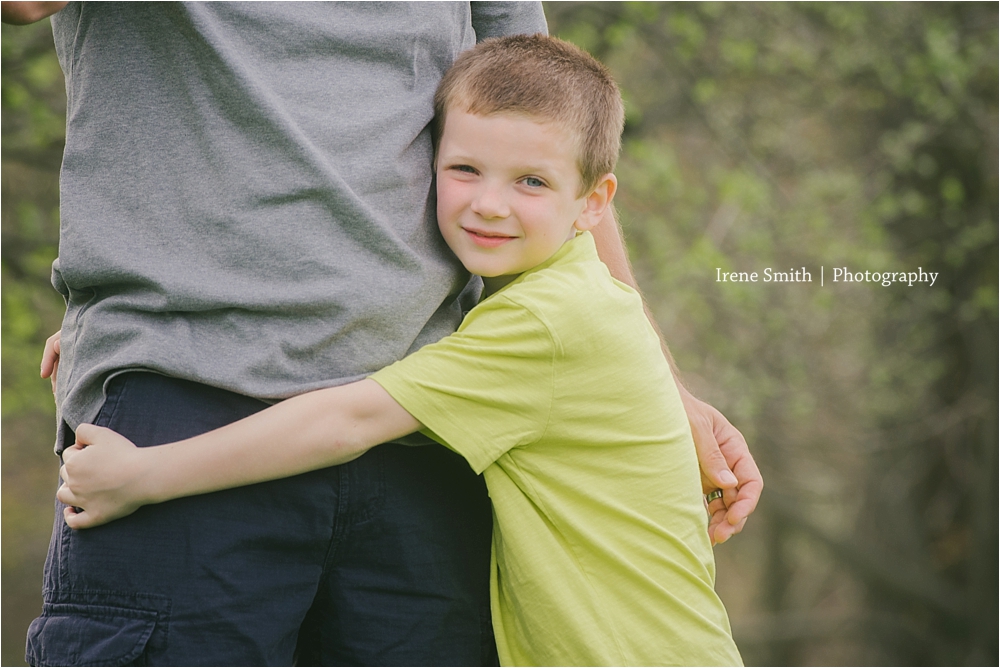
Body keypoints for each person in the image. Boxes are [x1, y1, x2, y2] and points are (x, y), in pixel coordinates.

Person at [4, 2, 760, 665]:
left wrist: (662, 388)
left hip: (428, 436)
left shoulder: (545, 325)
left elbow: (550, 124)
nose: (491, 202)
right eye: (464, 171)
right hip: (189, 394)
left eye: (523, 186)